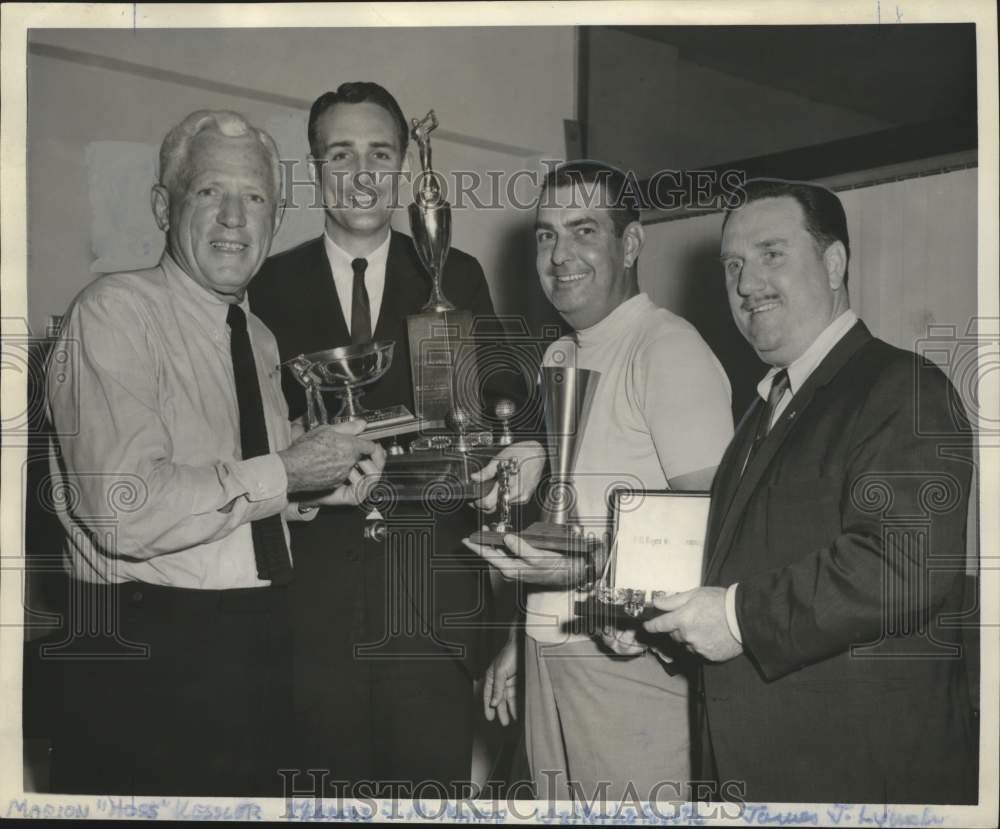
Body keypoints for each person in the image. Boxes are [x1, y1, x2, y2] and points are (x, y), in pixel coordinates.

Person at [44, 110, 385, 797]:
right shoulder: (113, 312)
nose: (235, 218)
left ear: (275, 216)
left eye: (255, 197)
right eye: (209, 192)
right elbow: (126, 511)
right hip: (144, 655)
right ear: (162, 206)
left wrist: (310, 493)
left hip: (253, 643)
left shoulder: (255, 335)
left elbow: (224, 499)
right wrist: (287, 471)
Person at [642, 178, 977, 803]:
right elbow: (750, 568)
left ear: (834, 263)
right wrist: (670, 630)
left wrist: (735, 617)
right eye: (733, 266)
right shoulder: (763, 408)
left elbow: (903, 566)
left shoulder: (903, 386)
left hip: (859, 783)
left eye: (771, 254)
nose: (746, 285)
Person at [249, 82, 518, 794]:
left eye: (379, 153)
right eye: (341, 154)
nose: (362, 174)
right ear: (314, 168)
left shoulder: (454, 273)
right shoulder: (266, 285)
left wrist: (501, 442)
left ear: (402, 165)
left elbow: (497, 410)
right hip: (314, 613)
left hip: (432, 605)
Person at [465, 161, 734, 802]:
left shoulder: (666, 347)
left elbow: (719, 526)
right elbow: (565, 523)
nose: (560, 256)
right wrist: (519, 637)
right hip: (550, 653)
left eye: (584, 231)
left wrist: (590, 577)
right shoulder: (562, 352)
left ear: (631, 243)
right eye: (545, 235)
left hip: (631, 659)